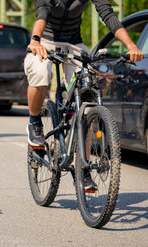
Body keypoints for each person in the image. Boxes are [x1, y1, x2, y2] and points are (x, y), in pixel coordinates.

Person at [25, 0, 143, 189]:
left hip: (74, 43)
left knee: (88, 94)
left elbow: (107, 14)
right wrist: (35, 40)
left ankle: (83, 167)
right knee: (40, 72)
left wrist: (131, 45)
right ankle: (34, 122)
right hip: (45, 39)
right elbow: (43, 11)